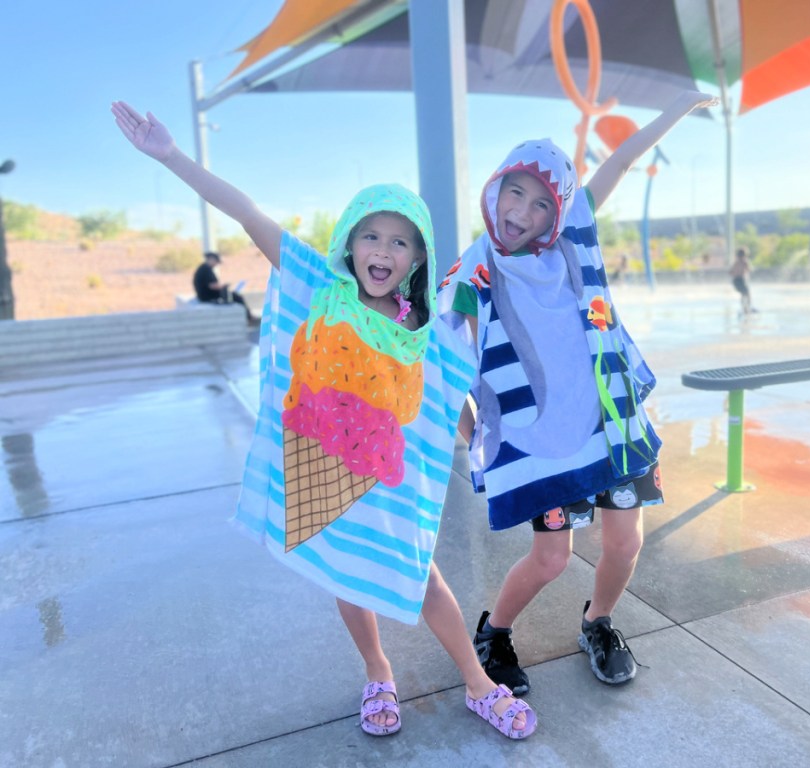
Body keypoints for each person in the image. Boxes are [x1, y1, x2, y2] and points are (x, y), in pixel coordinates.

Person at [111, 101, 535, 740]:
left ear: (417, 258)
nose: (383, 250)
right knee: (347, 575)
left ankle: (478, 682)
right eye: (371, 235)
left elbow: (449, 397)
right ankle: (377, 672)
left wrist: (481, 442)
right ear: (349, 242)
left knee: (426, 582)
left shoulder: (424, 328)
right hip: (328, 481)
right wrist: (171, 156)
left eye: (399, 241)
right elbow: (247, 212)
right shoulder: (317, 286)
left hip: (390, 491)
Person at [437, 89, 718, 695]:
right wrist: (480, 438)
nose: (524, 211)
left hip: (609, 425)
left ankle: (598, 622)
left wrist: (672, 111)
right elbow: (442, 367)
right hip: (545, 439)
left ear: (556, 213)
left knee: (625, 541)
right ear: (495, 189)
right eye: (515, 191)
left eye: (542, 203)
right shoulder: (472, 271)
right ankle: (496, 630)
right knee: (551, 559)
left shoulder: (573, 240)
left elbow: (617, 164)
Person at [193, 249, 256, 324]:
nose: (216, 264)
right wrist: (224, 286)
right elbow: (212, 286)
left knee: (234, 296)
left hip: (207, 295)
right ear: (211, 259)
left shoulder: (204, 268)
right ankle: (249, 317)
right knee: (237, 297)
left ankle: (248, 316)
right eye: (216, 262)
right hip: (208, 296)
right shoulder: (206, 270)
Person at [729, 246, 754, 315]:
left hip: (735, 280)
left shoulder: (735, 262)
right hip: (741, 279)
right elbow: (750, 269)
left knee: (743, 294)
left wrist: (736, 272)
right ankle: (747, 308)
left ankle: (744, 308)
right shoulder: (745, 261)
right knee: (747, 294)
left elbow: (730, 272)